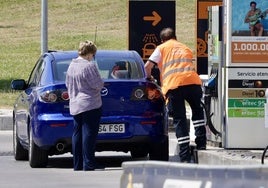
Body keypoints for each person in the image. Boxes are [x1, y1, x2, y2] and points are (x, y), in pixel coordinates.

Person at [144, 28, 207, 163]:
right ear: (175, 37)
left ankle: (184, 156)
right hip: (193, 83)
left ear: (162, 40)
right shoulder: (185, 47)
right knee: (198, 113)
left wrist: (150, 79)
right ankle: (201, 144)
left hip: (174, 86)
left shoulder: (161, 48)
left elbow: (147, 67)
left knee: (180, 119)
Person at [66, 40, 104, 171]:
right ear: (89, 54)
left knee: (77, 133)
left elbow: (67, 83)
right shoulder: (89, 66)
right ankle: (89, 163)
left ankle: (77, 164)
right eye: (93, 54)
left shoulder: (72, 65)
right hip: (90, 103)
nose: (93, 57)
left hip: (75, 103)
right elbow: (98, 84)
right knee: (89, 133)